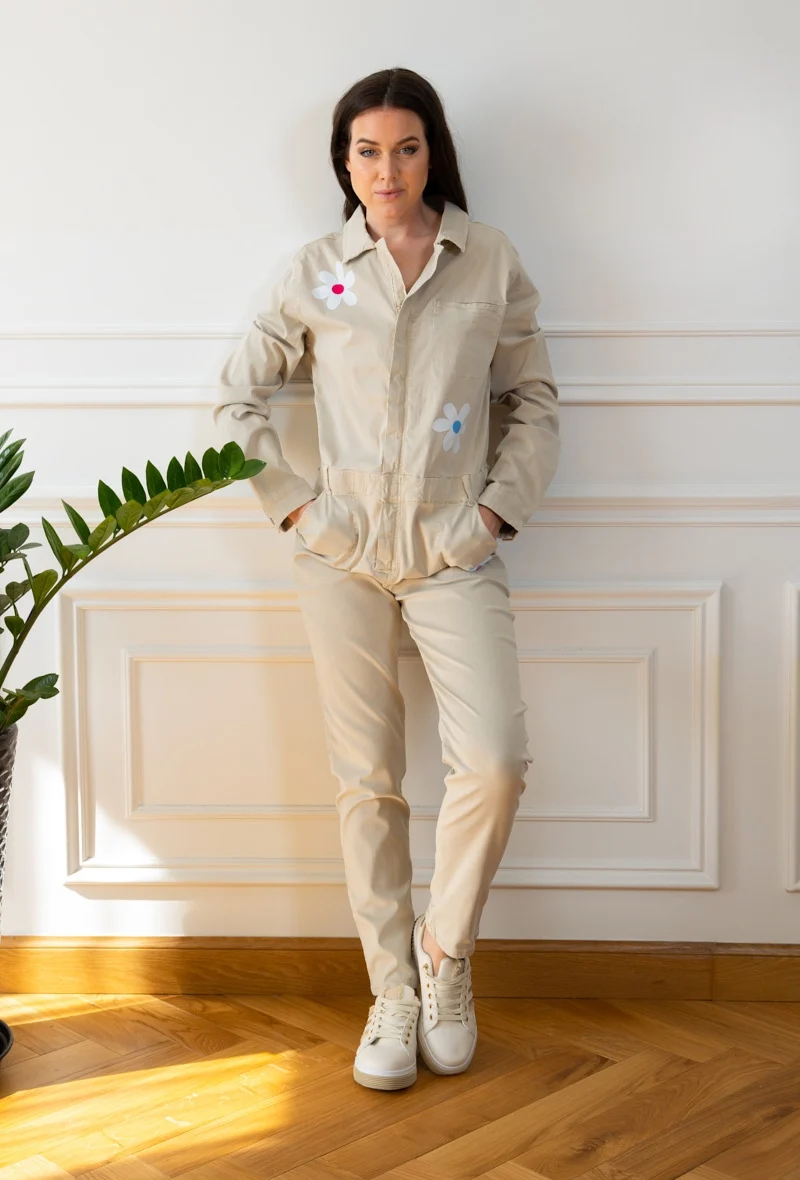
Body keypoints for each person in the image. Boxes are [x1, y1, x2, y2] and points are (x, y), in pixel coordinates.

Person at [213, 66, 561, 1092]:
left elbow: (534, 402)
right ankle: (392, 994)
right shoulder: (320, 273)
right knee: (366, 782)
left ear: (431, 152)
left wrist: (489, 515)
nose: (386, 170)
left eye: (405, 148)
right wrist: (301, 509)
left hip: (453, 549)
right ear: (344, 161)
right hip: (343, 555)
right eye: (366, 151)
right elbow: (237, 403)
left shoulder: (487, 260)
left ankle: (444, 956)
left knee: (493, 760)